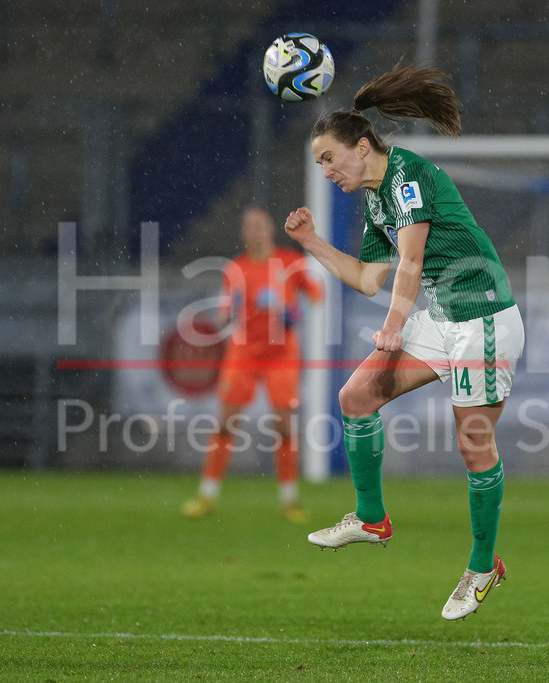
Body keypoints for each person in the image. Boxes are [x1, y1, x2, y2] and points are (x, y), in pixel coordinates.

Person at [283, 63, 525, 621]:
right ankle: (371, 519)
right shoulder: (375, 200)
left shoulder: (407, 177)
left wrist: (395, 324)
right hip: (441, 319)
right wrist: (312, 241)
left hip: (480, 316)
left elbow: (411, 262)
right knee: (355, 397)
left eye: (328, 158)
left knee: (473, 446)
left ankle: (483, 565)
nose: (325, 171)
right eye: (319, 162)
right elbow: (370, 278)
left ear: (362, 145)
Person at [182, 206, 322, 522]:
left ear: (271, 229)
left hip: (281, 355)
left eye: (261, 225)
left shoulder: (290, 262)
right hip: (244, 353)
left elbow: (315, 294)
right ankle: (207, 496)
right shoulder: (236, 268)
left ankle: (289, 501)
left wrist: (294, 313)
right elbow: (224, 311)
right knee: (225, 422)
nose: (256, 231)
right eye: (250, 227)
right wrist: (226, 313)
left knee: (284, 425)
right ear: (244, 233)